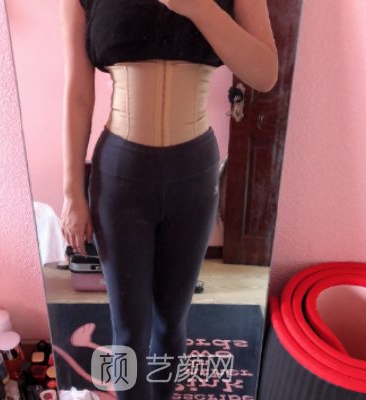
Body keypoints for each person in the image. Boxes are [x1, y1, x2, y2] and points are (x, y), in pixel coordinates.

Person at [59, 1, 278, 399]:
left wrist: (199, 8)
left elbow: (264, 74)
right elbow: (76, 93)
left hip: (193, 176)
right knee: (128, 328)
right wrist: (72, 190)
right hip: (120, 177)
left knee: (172, 321)